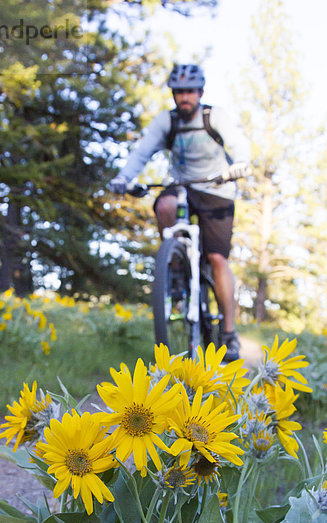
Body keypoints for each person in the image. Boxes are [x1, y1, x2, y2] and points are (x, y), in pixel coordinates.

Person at [108, 64, 250, 361]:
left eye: (190, 91)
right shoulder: (167, 121)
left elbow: (237, 142)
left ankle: (229, 332)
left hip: (217, 188)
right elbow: (142, 152)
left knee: (217, 259)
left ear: (200, 93)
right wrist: (124, 177)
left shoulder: (214, 117)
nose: (184, 97)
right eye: (179, 92)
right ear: (174, 95)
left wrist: (240, 163)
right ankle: (173, 269)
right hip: (182, 185)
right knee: (165, 205)